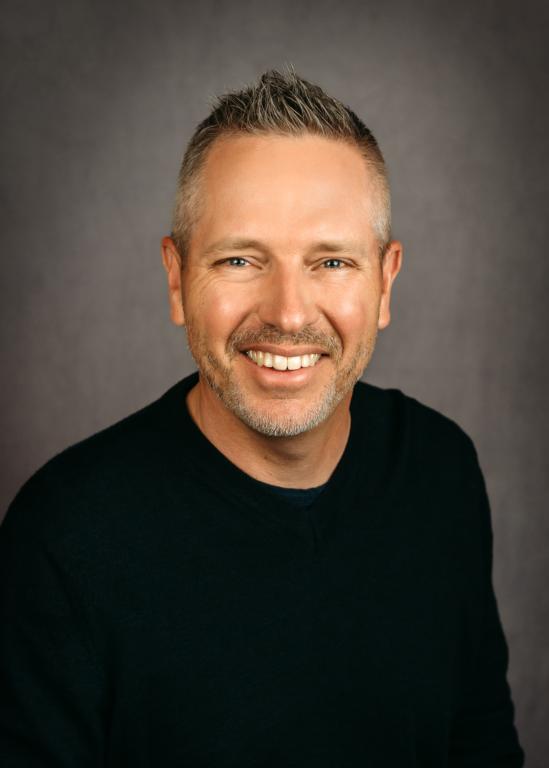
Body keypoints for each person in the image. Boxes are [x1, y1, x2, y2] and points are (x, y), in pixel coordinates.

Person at [0, 69, 524, 766]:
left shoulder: (439, 469)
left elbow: (481, 745)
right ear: (177, 278)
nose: (288, 313)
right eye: (241, 259)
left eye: (331, 262)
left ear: (385, 280)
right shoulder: (64, 537)